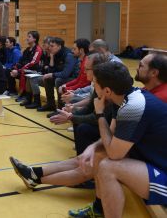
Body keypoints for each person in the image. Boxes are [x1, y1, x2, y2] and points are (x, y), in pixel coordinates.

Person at [10, 61, 167, 218]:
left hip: (163, 174)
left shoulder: (132, 107)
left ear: (106, 90)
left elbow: (114, 154)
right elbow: (110, 136)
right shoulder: (123, 99)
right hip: (151, 162)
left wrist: (99, 113)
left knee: (108, 166)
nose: (92, 86)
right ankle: (97, 209)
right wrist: (92, 148)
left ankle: (35, 176)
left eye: (95, 83)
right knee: (97, 155)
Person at [56, 38, 91, 109]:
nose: (72, 51)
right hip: (83, 88)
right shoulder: (83, 60)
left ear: (81, 50)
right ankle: (62, 109)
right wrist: (65, 85)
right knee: (62, 85)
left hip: (86, 91)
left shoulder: (86, 62)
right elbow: (78, 79)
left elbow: (83, 84)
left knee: (64, 90)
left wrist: (66, 89)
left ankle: (64, 110)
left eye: (74, 49)